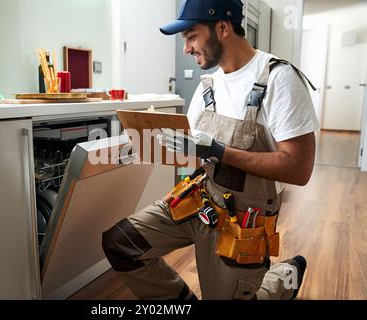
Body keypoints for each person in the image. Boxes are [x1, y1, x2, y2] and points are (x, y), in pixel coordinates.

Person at [102, 0, 318, 300]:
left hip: (244, 216)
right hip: (199, 199)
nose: (186, 49)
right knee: (121, 243)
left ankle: (285, 275)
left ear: (223, 28)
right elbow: (192, 152)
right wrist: (151, 141)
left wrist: (219, 150)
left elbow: (299, 169)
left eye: (191, 36)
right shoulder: (208, 85)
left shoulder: (279, 78)